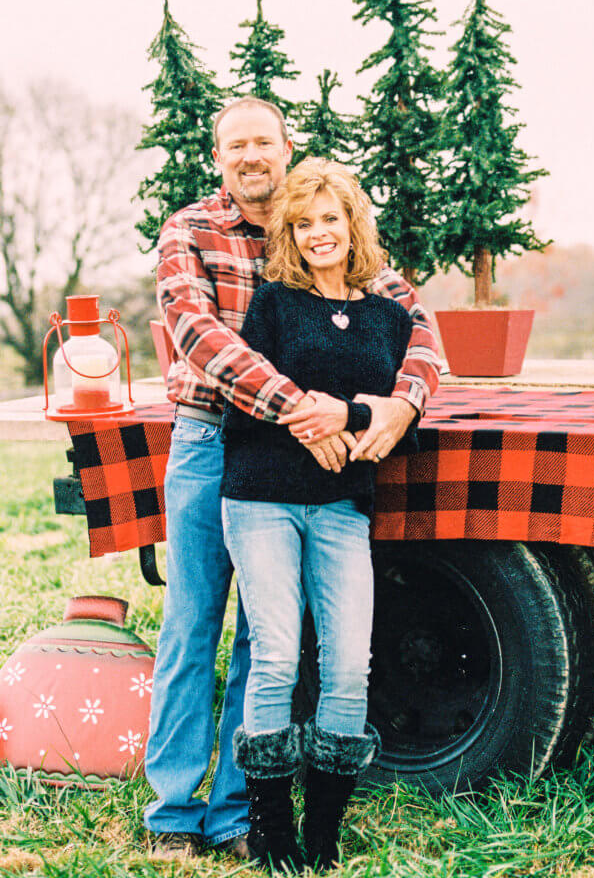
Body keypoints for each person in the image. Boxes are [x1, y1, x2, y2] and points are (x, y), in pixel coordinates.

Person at [145, 97, 441, 860]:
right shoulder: (189, 230)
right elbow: (196, 333)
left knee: (265, 639)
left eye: (262, 143)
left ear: (285, 148)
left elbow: (417, 322)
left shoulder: (315, 218)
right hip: (214, 439)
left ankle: (240, 812)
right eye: (235, 145)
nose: (250, 156)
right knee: (193, 620)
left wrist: (398, 404)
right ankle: (174, 812)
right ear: (218, 156)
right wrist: (299, 409)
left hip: (305, 452)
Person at [222, 158, 437, 872]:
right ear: (290, 233)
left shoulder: (386, 315)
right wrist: (304, 424)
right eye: (303, 222)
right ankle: (271, 830)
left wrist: (341, 415)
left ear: (352, 223)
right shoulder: (274, 304)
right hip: (261, 499)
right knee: (278, 657)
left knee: (348, 665)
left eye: (329, 218)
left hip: (344, 505)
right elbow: (243, 401)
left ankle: (322, 832)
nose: (319, 233)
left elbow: (398, 418)